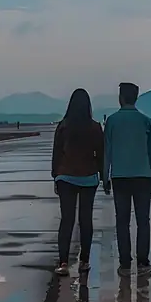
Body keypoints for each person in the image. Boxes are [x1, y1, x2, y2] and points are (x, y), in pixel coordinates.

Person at [103, 82, 151, 278]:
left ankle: (125, 263)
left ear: (121, 97)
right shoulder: (146, 121)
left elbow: (107, 153)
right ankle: (143, 262)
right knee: (143, 221)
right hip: (143, 177)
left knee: (122, 221)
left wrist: (105, 176)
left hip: (120, 178)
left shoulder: (111, 121)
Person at [51, 88, 104, 277]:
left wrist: (55, 175)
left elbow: (56, 153)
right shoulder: (95, 127)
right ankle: (84, 261)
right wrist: (103, 175)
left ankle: (63, 262)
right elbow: (101, 154)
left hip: (66, 176)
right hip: (89, 178)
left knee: (67, 220)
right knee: (85, 219)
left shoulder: (63, 126)